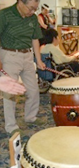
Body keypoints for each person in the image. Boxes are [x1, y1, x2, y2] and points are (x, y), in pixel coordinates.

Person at [0, 0, 45, 134]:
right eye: (31, 8)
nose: (33, 12)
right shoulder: (5, 15)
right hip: (10, 55)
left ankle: (30, 117)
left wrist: (38, 60)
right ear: (21, 2)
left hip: (27, 55)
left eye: (35, 9)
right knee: (10, 93)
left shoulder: (33, 17)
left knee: (33, 89)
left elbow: (35, 39)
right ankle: (11, 126)